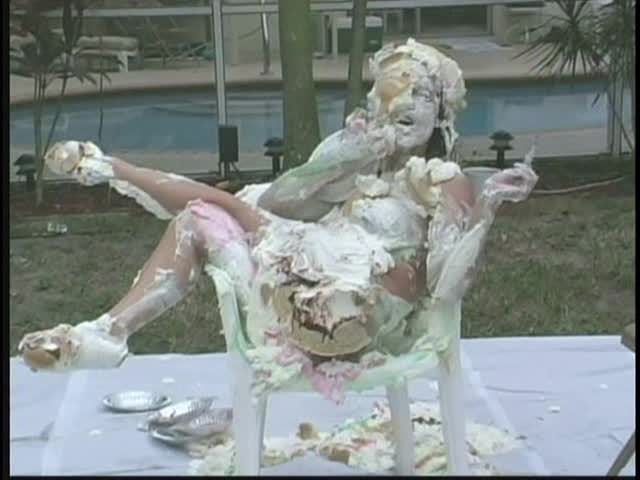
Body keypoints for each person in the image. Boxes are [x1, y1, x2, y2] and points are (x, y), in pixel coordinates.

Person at [18, 40, 536, 399]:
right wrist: (345, 160)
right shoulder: (352, 152)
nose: (399, 103)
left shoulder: (444, 179)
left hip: (358, 312)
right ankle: (109, 331)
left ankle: (113, 168)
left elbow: (448, 286)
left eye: (418, 94)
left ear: (441, 110)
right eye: (388, 91)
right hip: (299, 280)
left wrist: (485, 211)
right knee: (202, 216)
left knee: (231, 208)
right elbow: (281, 204)